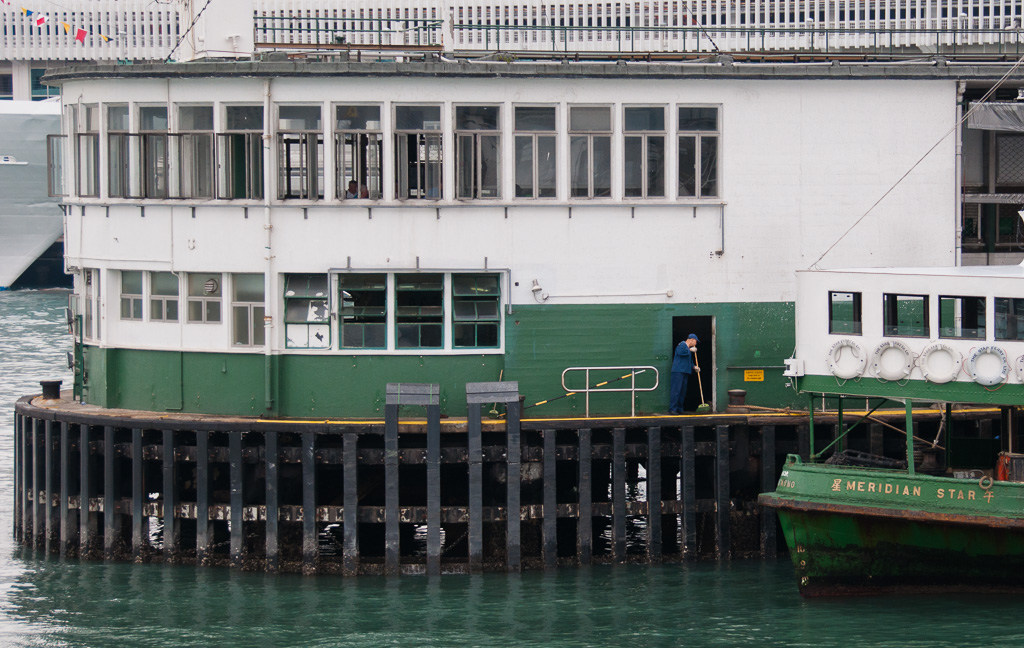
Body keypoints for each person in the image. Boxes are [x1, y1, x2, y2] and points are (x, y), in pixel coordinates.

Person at [670, 333, 699, 414]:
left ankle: (679, 408)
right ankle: (672, 409)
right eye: (696, 342)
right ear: (692, 340)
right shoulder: (682, 345)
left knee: (682, 391)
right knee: (676, 390)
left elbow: (689, 361)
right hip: (678, 371)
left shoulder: (687, 349)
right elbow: (680, 352)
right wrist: (689, 350)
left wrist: (694, 367)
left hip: (685, 371)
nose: (696, 344)